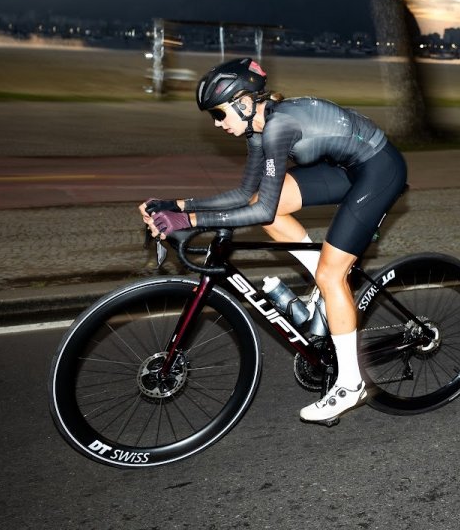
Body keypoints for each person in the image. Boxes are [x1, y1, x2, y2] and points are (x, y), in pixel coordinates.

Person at [140, 57, 407, 424]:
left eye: (219, 115)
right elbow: (246, 193)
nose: (218, 124)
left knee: (332, 276)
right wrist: (178, 205)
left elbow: (262, 212)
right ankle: (326, 280)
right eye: (212, 118)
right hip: (345, 168)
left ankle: (350, 383)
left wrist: (190, 220)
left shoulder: (279, 127)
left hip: (379, 169)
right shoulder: (257, 130)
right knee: (269, 208)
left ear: (244, 103)